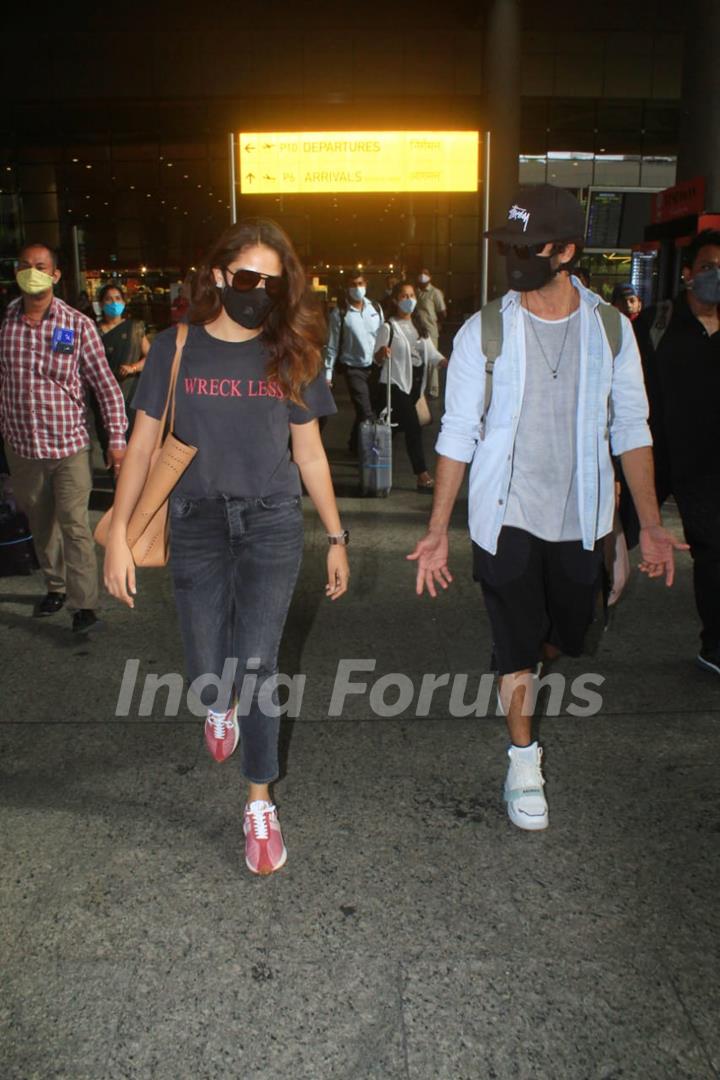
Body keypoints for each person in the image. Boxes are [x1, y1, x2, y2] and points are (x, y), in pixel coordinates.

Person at [408, 184, 686, 833]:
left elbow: (633, 428)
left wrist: (648, 527)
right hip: (504, 519)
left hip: (583, 520)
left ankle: (530, 650)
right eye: (508, 246)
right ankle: (523, 758)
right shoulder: (486, 330)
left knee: (570, 633)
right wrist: (436, 530)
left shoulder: (611, 330)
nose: (515, 258)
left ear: (566, 250)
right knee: (514, 643)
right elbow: (457, 431)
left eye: (528, 247)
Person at [103, 218, 349, 876]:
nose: (259, 293)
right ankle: (219, 704)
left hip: (270, 521)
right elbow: (143, 446)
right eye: (247, 279)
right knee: (211, 662)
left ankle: (259, 803)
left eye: (273, 283)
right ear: (218, 276)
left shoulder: (292, 349)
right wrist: (119, 538)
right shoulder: (176, 347)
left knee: (261, 665)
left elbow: (311, 452)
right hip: (196, 521)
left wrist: (336, 535)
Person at [0, 243, 127, 633]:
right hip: (22, 447)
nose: (31, 272)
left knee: (74, 525)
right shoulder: (5, 322)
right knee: (42, 526)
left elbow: (105, 386)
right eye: (24, 266)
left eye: (40, 266)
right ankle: (55, 586)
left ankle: (83, 604)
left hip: (69, 445)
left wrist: (116, 441)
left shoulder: (77, 325)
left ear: (55, 275)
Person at [636, 229, 720, 676]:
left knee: (713, 550)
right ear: (687, 273)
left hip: (709, 465)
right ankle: (572, 613)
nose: (716, 277)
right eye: (708, 268)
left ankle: (715, 645)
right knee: (613, 533)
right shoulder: (657, 323)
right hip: (653, 452)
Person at [373, 281, 446, 491]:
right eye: (404, 296)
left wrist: (443, 361)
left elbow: (431, 352)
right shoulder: (388, 327)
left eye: (412, 295)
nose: (409, 300)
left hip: (415, 384)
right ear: (395, 300)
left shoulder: (419, 325)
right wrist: (382, 353)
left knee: (394, 428)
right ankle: (422, 476)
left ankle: (374, 463)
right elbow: (376, 359)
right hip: (394, 384)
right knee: (413, 427)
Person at [324, 272, 383, 453]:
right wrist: (328, 374)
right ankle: (368, 454)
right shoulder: (340, 313)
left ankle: (354, 444)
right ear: (347, 288)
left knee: (368, 409)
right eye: (353, 284)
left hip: (375, 367)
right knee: (366, 412)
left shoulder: (375, 308)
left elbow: (383, 336)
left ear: (366, 284)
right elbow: (332, 345)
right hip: (353, 368)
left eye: (360, 283)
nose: (357, 288)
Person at [96, 281, 150, 421]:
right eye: (109, 299)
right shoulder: (93, 331)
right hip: (104, 393)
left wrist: (133, 367)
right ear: (101, 304)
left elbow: (152, 357)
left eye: (118, 298)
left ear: (124, 303)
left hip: (131, 391)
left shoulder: (134, 328)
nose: (114, 302)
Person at [415, 268, 447, 399]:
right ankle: (421, 389)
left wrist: (438, 324)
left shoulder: (435, 293)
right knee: (420, 360)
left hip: (431, 331)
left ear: (430, 277)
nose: (423, 276)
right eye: (421, 273)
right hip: (417, 331)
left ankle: (433, 390)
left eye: (426, 273)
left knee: (433, 360)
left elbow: (443, 312)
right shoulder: (416, 292)